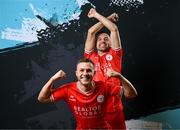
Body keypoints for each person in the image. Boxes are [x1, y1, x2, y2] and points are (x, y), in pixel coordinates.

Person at [38, 58, 137, 129]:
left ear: (94, 73)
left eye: (89, 70)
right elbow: (42, 98)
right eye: (81, 70)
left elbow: (131, 94)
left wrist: (119, 76)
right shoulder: (67, 89)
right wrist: (52, 79)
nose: (85, 73)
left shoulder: (104, 86)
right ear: (76, 73)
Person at [84, 8, 133, 129]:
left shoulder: (116, 54)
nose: (102, 41)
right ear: (95, 44)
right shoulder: (90, 57)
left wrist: (97, 14)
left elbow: (113, 29)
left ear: (111, 43)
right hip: (94, 108)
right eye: (99, 39)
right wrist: (108, 18)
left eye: (106, 38)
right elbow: (91, 32)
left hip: (114, 108)